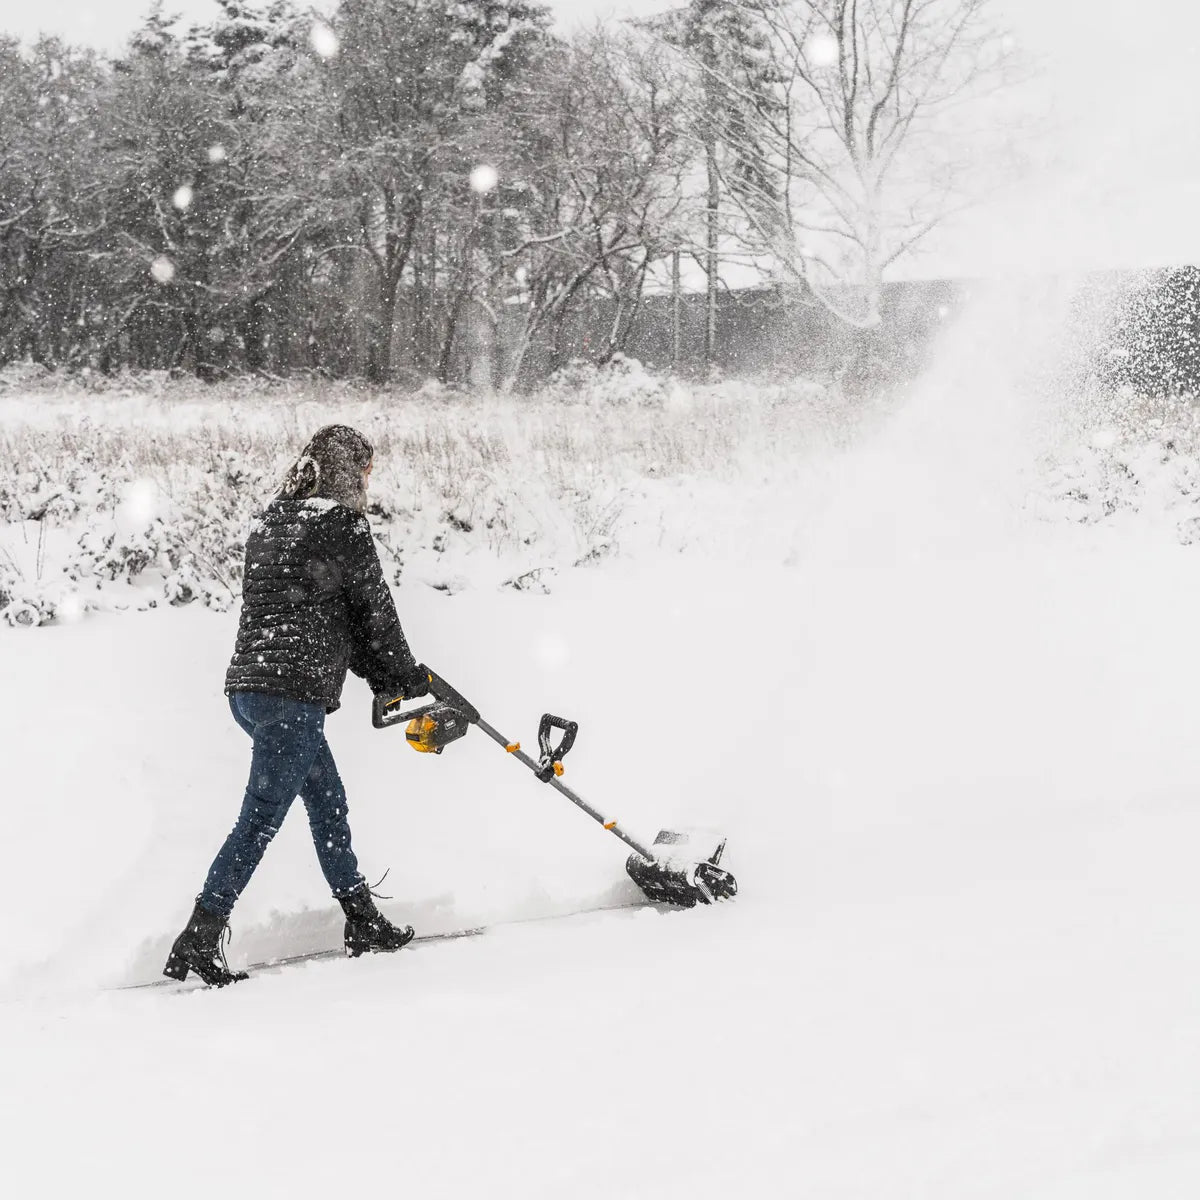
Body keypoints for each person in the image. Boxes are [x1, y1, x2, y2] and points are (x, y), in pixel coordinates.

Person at [163, 424, 431, 986]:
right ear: (346, 471)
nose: (366, 481)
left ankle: (362, 919)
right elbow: (372, 615)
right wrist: (402, 676)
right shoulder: (342, 525)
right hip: (291, 699)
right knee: (260, 819)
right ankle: (200, 935)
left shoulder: (271, 522)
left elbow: (322, 617)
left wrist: (387, 678)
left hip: (249, 690)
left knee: (328, 802)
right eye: (364, 470)